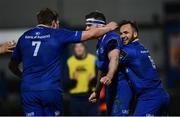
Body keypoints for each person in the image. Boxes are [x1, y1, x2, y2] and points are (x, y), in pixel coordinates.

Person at [8, 8, 117, 116]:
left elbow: (12, 65)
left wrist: (23, 76)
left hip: (28, 91)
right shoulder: (58, 34)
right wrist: (108, 28)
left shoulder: (24, 37)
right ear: (54, 23)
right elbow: (91, 34)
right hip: (50, 90)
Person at [118, 20, 170, 116]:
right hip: (162, 95)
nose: (122, 36)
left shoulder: (129, 51)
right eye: (120, 33)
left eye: (126, 32)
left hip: (149, 98)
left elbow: (111, 61)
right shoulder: (141, 47)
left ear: (135, 34)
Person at [87, 11, 133, 116]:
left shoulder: (111, 38)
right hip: (110, 87)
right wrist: (97, 91)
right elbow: (102, 69)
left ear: (99, 25)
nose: (86, 29)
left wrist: (109, 75)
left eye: (89, 25)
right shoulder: (100, 43)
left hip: (121, 86)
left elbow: (114, 58)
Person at [66, 42, 98, 115]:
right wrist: (73, 80)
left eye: (81, 46)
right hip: (75, 99)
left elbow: (100, 81)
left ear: (84, 48)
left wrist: (92, 81)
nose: (79, 49)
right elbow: (65, 84)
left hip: (90, 97)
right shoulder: (69, 62)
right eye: (76, 47)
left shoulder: (93, 60)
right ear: (74, 49)